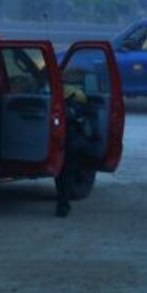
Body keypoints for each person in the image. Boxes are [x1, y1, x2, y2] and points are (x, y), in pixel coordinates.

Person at [55, 82, 90, 218]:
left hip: (62, 144)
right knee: (68, 174)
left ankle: (62, 202)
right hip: (72, 145)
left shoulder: (59, 107)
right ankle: (63, 203)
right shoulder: (77, 108)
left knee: (60, 175)